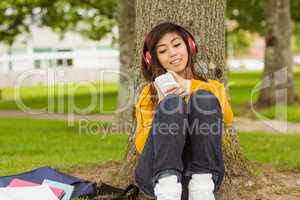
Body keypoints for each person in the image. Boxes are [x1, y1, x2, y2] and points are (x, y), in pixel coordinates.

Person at [134, 22, 233, 200]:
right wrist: (164, 110)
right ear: (153, 58)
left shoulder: (212, 88)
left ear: (190, 46)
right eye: (163, 50)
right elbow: (141, 145)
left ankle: (202, 190)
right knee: (172, 103)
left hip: (200, 179)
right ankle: (167, 189)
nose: (172, 53)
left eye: (177, 44)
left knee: (204, 98)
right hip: (156, 178)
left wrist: (193, 87)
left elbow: (226, 120)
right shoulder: (149, 93)